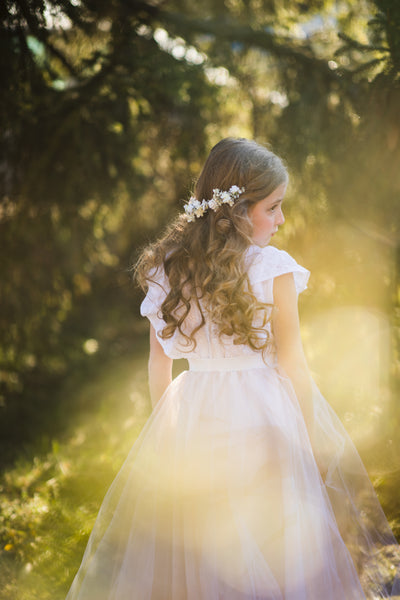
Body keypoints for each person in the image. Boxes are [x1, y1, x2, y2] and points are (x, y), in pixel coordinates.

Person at [66, 138, 400, 599]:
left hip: (196, 415)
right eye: (274, 207)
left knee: (205, 542)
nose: (282, 220)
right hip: (264, 413)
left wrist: (165, 431)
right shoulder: (271, 268)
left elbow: (157, 364)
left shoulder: (168, 268)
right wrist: (311, 438)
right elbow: (293, 363)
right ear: (238, 210)